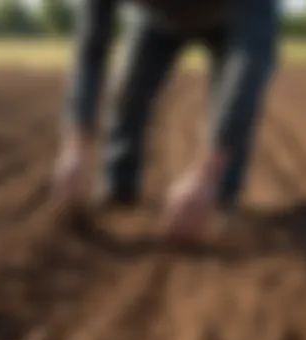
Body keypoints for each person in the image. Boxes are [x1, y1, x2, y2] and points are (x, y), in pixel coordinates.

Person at [53, 0, 280, 242]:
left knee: (228, 110)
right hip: (157, 24)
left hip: (235, 17)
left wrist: (206, 176)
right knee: (127, 94)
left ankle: (218, 200)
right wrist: (74, 149)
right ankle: (119, 190)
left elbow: (248, 70)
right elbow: (91, 50)